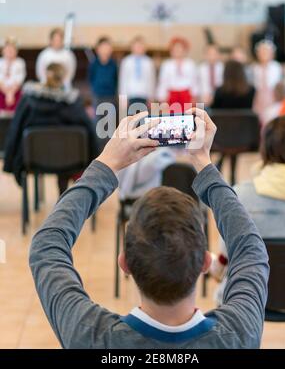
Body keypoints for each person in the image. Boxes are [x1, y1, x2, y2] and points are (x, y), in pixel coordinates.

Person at [29, 108, 269, 349]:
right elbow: (250, 249)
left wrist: (107, 163)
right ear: (206, 262)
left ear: (125, 263)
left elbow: (47, 248)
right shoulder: (239, 333)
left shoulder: (90, 336)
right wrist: (204, 162)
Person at [210, 114, 285, 348]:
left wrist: (215, 270)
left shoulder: (240, 196)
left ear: (265, 149)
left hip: (252, 297)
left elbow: (225, 261)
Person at [4, 63, 98, 194]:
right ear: (64, 78)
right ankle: (64, 196)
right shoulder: (73, 104)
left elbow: (15, 130)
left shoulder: (28, 102)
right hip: (70, 160)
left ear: (44, 76)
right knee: (66, 149)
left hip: (33, 160)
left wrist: (11, 160)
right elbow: (90, 135)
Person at [88, 37, 118, 150]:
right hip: (97, 97)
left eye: (108, 47)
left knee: (110, 128)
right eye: (103, 47)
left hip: (110, 97)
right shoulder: (94, 64)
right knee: (98, 127)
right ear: (97, 49)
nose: (105, 50)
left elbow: (116, 80)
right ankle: (98, 152)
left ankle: (109, 151)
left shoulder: (113, 64)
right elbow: (91, 79)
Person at [157, 37, 198, 111]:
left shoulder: (190, 64)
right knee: (172, 119)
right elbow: (163, 82)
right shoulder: (166, 64)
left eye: (180, 48)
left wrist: (194, 96)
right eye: (175, 48)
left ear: (184, 50)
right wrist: (162, 98)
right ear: (171, 50)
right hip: (171, 96)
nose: (178, 50)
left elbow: (194, 81)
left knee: (187, 118)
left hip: (186, 96)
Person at [119, 36, 155, 112]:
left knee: (144, 120)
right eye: (136, 46)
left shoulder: (149, 62)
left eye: (141, 46)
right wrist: (123, 98)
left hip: (144, 95)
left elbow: (151, 80)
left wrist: (151, 97)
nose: (138, 48)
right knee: (132, 121)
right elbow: (123, 80)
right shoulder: (126, 61)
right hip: (131, 96)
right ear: (132, 47)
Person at [252, 39, 282, 120]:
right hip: (258, 100)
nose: (264, 54)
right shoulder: (254, 68)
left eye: (267, 52)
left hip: (273, 100)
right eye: (261, 52)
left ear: (272, 54)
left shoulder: (277, 67)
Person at [0, 37, 26, 112]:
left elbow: (20, 79)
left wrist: (11, 93)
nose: (10, 51)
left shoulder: (20, 62)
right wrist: (7, 93)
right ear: (3, 50)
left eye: (12, 49)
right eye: (7, 48)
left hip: (15, 91)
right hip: (2, 91)